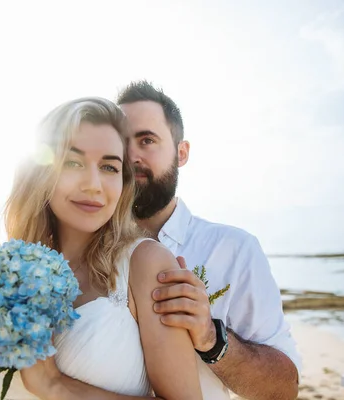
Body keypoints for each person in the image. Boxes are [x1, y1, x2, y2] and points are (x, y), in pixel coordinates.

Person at [0, 97, 204, 400]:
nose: (93, 184)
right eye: (73, 162)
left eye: (109, 166)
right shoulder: (4, 275)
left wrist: (54, 385)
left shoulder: (146, 265)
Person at [117, 81, 302, 400]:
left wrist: (211, 339)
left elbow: (283, 390)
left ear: (181, 152)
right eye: (120, 142)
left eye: (147, 140)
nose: (131, 155)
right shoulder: (83, 250)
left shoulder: (234, 250)